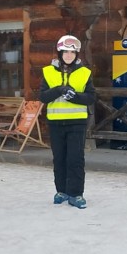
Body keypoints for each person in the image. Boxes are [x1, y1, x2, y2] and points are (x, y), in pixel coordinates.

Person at [38, 34, 95, 208]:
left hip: (76, 123)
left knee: (75, 159)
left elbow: (91, 97)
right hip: (56, 123)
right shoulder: (48, 72)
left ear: (77, 54)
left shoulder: (84, 73)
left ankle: (76, 194)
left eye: (72, 52)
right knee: (59, 158)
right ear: (60, 53)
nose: (69, 55)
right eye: (65, 52)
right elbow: (42, 97)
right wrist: (59, 90)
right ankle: (61, 191)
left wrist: (75, 96)